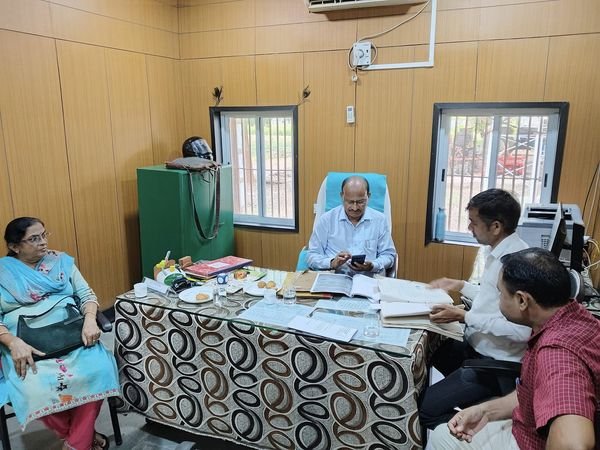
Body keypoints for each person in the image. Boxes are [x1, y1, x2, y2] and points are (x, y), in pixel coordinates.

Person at [427, 248, 599, 450]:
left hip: (528, 441)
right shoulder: (577, 316)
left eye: (501, 293)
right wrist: (486, 411)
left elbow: (573, 444)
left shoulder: (557, 355)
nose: (499, 299)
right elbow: (531, 393)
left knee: (441, 437)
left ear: (522, 300)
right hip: (526, 423)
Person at [0, 217, 120, 450]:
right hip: (26, 345)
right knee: (31, 386)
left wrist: (89, 321)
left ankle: (75, 443)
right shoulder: (2, 273)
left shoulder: (60, 263)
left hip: (74, 334)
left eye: (45, 235)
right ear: (15, 247)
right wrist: (12, 342)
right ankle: (83, 437)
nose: (43, 243)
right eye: (34, 239)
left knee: (99, 369)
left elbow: (86, 295)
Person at [419, 189, 531, 429]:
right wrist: (460, 285)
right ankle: (475, 404)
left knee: (425, 409)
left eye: (473, 222)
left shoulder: (515, 263)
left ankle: (480, 429)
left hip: (495, 364)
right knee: (430, 351)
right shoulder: (498, 252)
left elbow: (522, 331)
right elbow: (491, 298)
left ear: (496, 227)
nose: (470, 227)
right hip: (478, 346)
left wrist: (464, 315)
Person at [306, 175, 396, 276]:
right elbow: (311, 255)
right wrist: (331, 262)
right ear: (342, 196)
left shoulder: (380, 220)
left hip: (368, 280)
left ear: (368, 196)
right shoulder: (327, 219)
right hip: (334, 278)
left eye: (360, 202)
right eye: (350, 202)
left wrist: (373, 265)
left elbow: (389, 255)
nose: (354, 207)